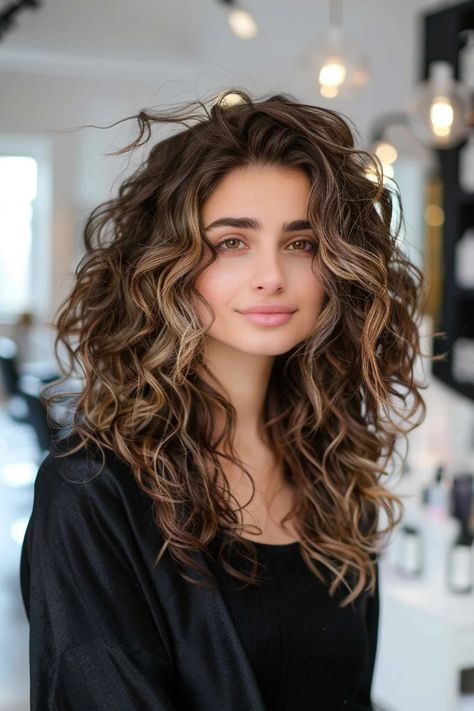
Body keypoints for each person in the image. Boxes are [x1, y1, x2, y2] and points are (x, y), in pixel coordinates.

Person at [20, 88, 427, 710]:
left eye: (303, 243)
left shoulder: (336, 472)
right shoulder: (92, 491)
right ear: (166, 265)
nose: (272, 274)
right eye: (232, 242)